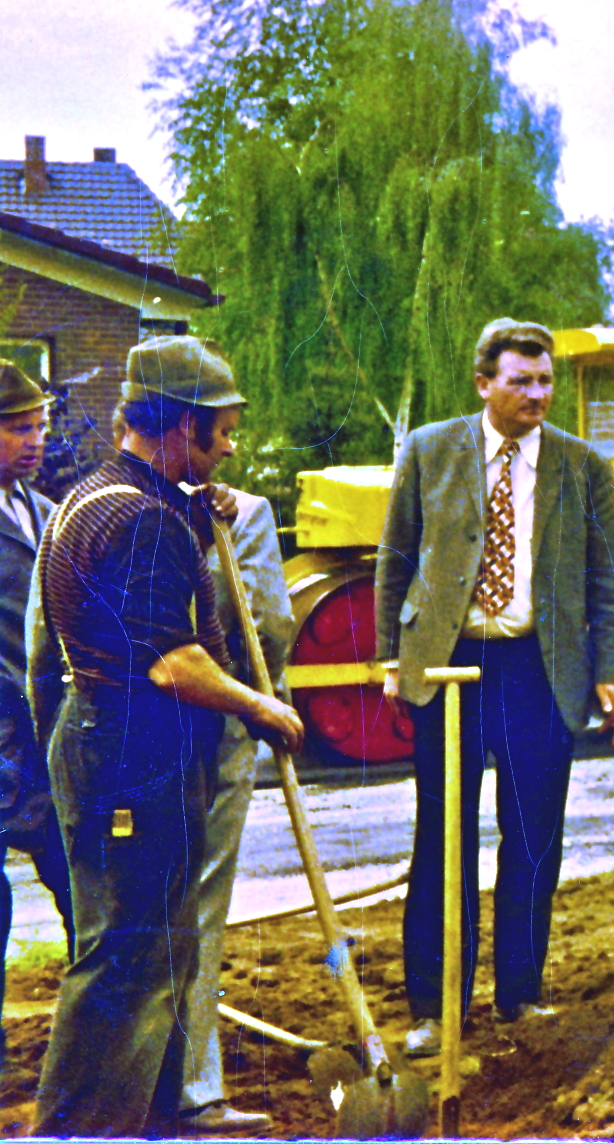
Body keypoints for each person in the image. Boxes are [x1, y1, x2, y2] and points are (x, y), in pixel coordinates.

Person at [33, 337, 305, 1139]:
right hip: (133, 757)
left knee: (148, 951)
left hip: (107, 746)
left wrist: (195, 506)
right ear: (180, 426)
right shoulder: (145, 521)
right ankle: (83, 1127)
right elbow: (169, 661)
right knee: (129, 957)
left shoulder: (101, 496)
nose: (230, 445)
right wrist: (261, 708)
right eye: (220, 429)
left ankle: (149, 1119)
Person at [377, 319, 614, 1058]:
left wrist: (609, 674)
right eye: (521, 380)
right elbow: (396, 556)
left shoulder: (579, 467)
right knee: (442, 840)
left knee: (532, 841)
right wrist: (393, 660)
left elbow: (609, 583)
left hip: (539, 672)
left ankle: (520, 997)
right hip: (451, 667)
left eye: (545, 380)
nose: (537, 394)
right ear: (484, 383)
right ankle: (434, 1007)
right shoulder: (430, 450)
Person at [174, 485, 293, 1134]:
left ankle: (148, 1081)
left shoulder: (89, 502)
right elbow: (269, 624)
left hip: (117, 739)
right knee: (201, 900)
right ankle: (194, 1088)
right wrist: (265, 705)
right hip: (217, 729)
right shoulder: (241, 513)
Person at [0, 364, 75, 1051]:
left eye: (40, 427)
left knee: (80, 884)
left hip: (45, 738)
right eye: (19, 427)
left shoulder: (46, 514)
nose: (34, 441)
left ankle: (98, 1048)